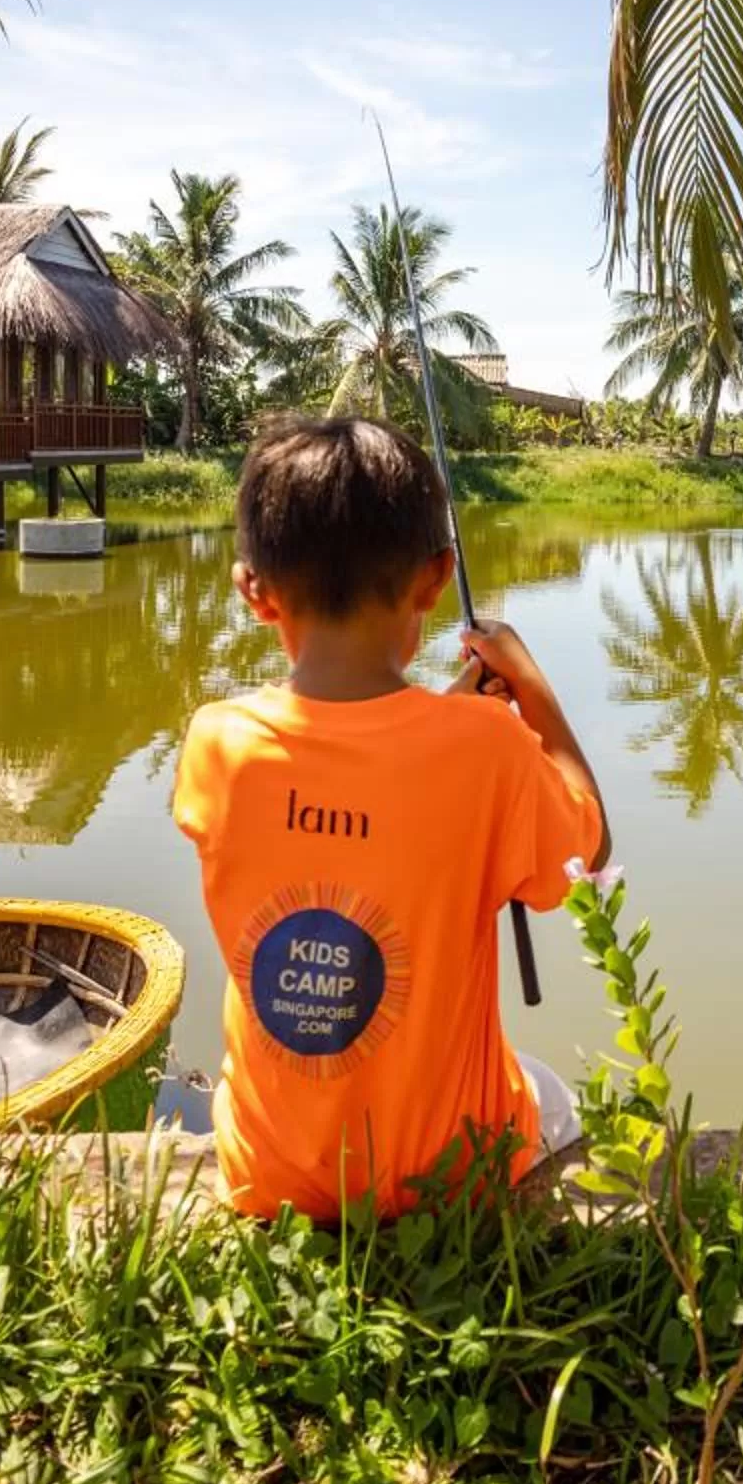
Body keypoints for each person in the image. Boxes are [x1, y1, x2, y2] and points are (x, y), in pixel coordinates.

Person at [174, 416, 609, 1221]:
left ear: (253, 590)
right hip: (447, 1177)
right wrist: (534, 693)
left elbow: (360, 777)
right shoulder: (487, 749)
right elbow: (585, 854)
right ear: (436, 578)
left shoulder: (216, 743)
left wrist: (447, 723)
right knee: (550, 1093)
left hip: (269, 1181)